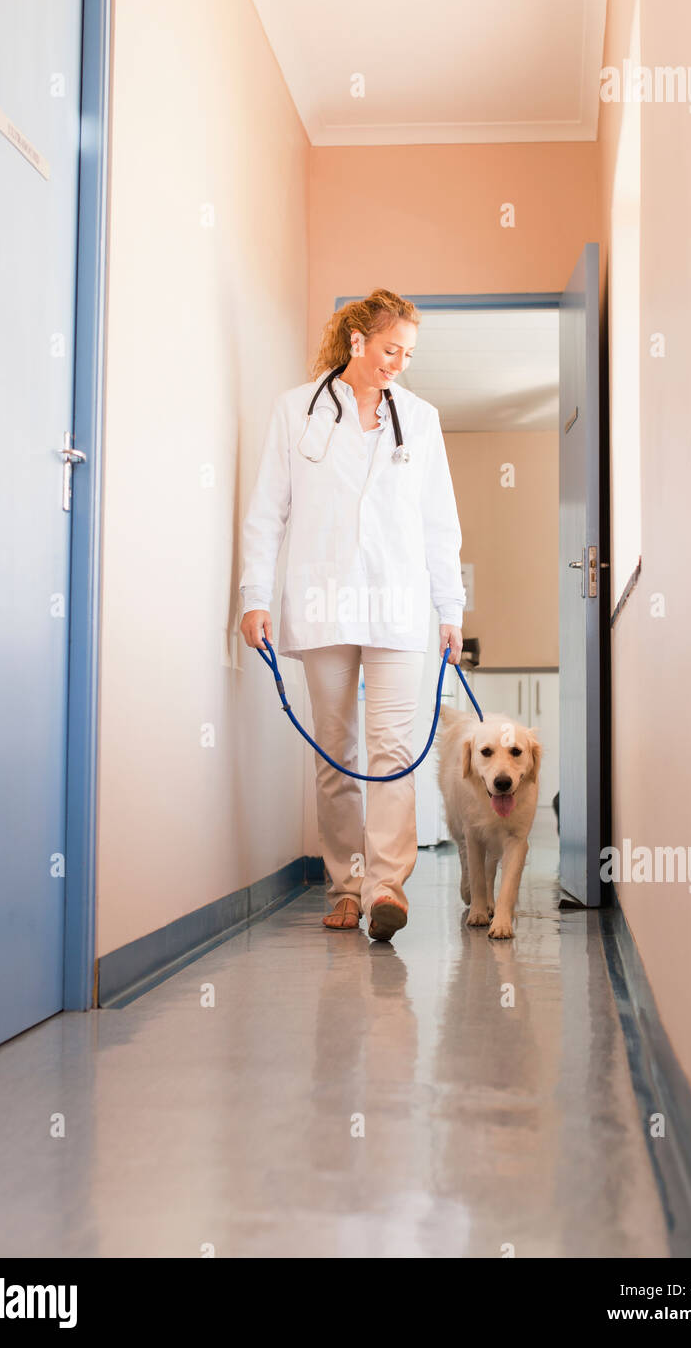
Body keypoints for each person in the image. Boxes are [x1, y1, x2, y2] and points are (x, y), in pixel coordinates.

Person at [239, 288, 465, 941]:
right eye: (392, 348)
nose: (400, 362)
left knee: (393, 750)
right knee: (336, 752)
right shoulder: (297, 412)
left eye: (409, 353)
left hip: (397, 603)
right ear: (359, 341)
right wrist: (255, 597)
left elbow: (438, 524)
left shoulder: (420, 419)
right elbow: (266, 513)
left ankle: (386, 886)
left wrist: (449, 608)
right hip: (324, 601)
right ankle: (345, 882)